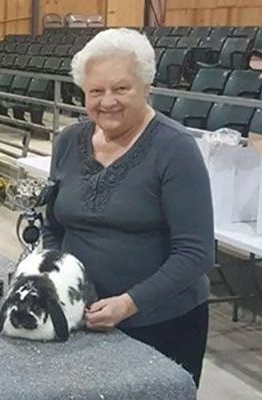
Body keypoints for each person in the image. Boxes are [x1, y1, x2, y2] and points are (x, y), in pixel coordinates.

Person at [42, 28, 214, 387]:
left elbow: (196, 253)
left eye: (121, 89)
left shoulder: (176, 148)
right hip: (79, 317)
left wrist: (129, 303)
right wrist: (56, 281)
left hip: (160, 324)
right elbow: (53, 228)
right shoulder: (68, 141)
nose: (108, 102)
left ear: (146, 86)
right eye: (96, 91)